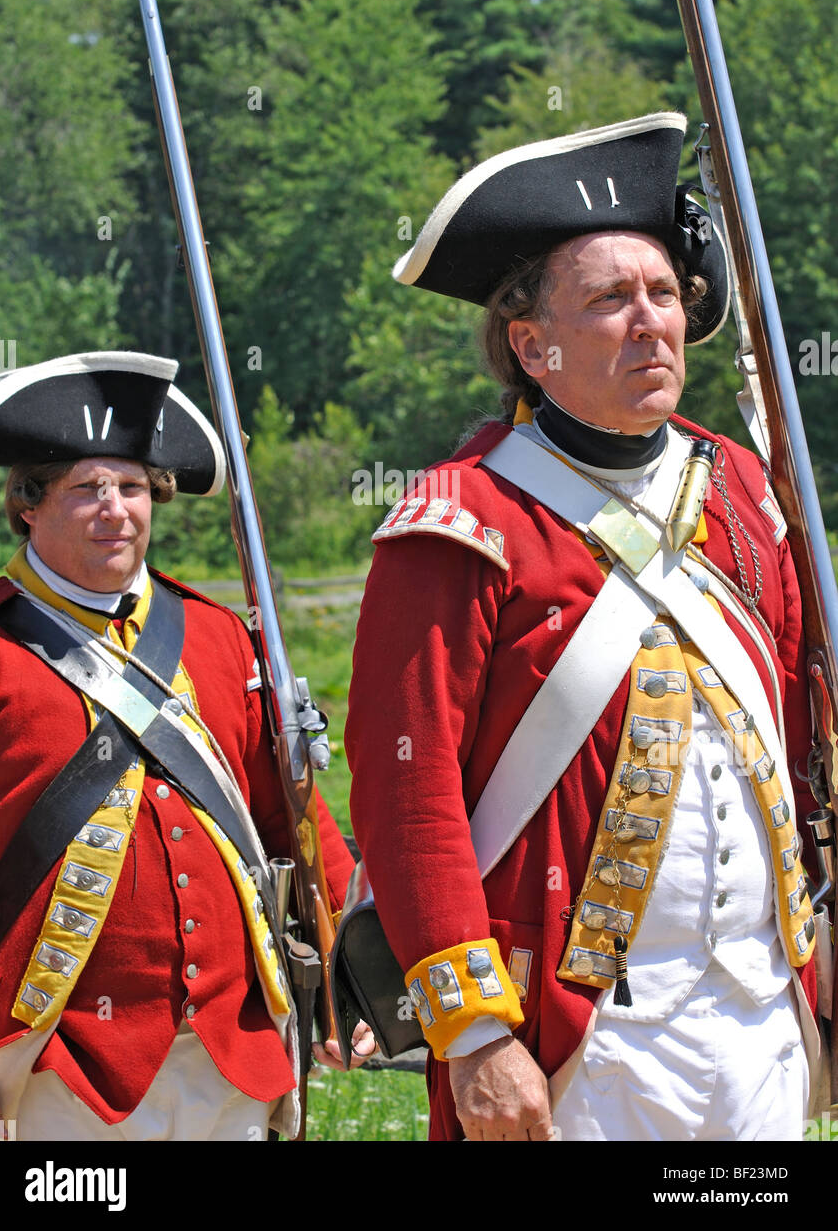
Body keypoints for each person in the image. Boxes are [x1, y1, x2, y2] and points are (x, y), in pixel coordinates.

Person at [345, 113, 824, 1142]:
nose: (651, 321)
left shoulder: (742, 489)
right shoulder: (459, 520)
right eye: (610, 299)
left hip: (756, 1014)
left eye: (663, 293)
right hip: (576, 1035)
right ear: (531, 344)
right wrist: (472, 1033)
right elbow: (406, 787)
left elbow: (802, 737)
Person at [0, 350, 367, 1142]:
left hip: (235, 1052)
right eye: (85, 488)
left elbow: (291, 814)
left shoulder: (220, 638)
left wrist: (352, 967)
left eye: (130, 486)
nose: (115, 509)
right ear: (27, 505)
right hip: (53, 1063)